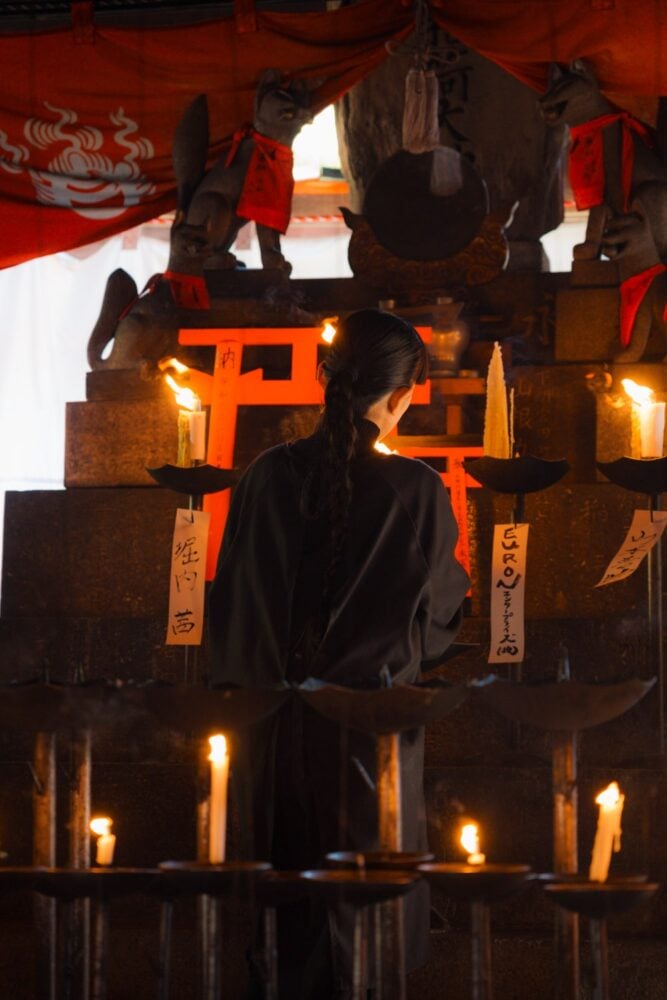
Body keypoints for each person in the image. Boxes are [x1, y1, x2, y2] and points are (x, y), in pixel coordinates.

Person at [208, 308, 469, 998]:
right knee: (364, 928)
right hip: (366, 741)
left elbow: (228, 610)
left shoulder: (264, 476)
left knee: (282, 929)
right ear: (403, 394)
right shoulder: (413, 491)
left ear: (322, 377)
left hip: (266, 735)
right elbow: (439, 625)